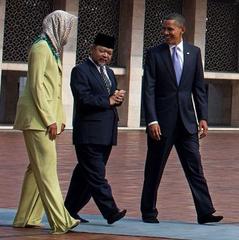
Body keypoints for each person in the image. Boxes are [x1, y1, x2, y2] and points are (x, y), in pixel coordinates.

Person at [141, 13, 223, 224]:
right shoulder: (154, 54)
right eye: (164, 29)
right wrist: (152, 120)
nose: (166, 33)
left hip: (187, 123)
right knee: (154, 168)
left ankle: (205, 212)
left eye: (170, 29)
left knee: (195, 167)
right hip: (161, 124)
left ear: (182, 30)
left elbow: (198, 88)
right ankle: (148, 211)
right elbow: (148, 89)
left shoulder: (194, 53)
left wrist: (203, 117)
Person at [13, 10, 80, 234]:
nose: (68, 33)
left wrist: (59, 118)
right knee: (47, 169)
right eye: (67, 27)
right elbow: (36, 86)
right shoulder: (41, 48)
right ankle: (61, 220)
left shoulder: (51, 49)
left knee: (36, 169)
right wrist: (49, 118)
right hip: (36, 119)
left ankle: (26, 217)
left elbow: (54, 89)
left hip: (44, 118)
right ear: (58, 26)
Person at [64, 33, 127, 224]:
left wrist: (116, 99)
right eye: (102, 51)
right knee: (97, 175)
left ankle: (69, 211)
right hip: (89, 133)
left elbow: (109, 100)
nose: (105, 56)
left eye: (109, 53)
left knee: (84, 175)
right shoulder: (80, 71)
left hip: (106, 134)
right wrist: (108, 100)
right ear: (92, 49)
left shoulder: (109, 73)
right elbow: (83, 99)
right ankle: (110, 211)